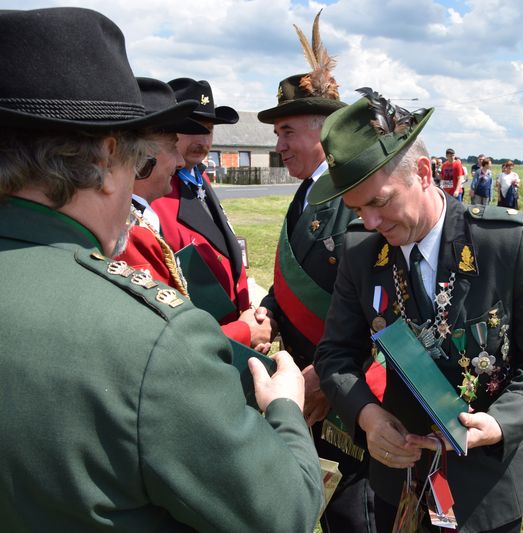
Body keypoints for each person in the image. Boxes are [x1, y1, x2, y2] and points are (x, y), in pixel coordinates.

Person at [0, 7, 322, 531]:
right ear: (107, 159)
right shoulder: (155, 341)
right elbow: (282, 513)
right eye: (137, 164)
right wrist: (285, 408)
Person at [309, 89, 523, 533]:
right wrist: (368, 417)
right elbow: (335, 355)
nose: (370, 222)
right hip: (402, 476)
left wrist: (499, 422)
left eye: (379, 202)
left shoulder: (504, 241)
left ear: (424, 173)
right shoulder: (361, 253)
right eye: (356, 209)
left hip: (488, 481)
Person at [255, 11, 375, 532]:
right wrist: (270, 311)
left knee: (354, 511)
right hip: (303, 380)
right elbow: (302, 274)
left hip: (342, 389)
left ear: (324, 130)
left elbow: (381, 304)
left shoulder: (355, 195)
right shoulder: (307, 190)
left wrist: (335, 378)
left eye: (286, 132)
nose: (278, 145)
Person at [150, 78, 271, 348]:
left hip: (233, 333)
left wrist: (247, 319)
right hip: (199, 341)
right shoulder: (155, 194)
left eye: (208, 129)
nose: (203, 140)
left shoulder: (199, 178)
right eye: (192, 128)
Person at [114, 77, 209, 291]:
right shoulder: (128, 231)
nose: (180, 161)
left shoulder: (139, 219)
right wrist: (244, 327)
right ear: (143, 155)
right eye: (173, 148)